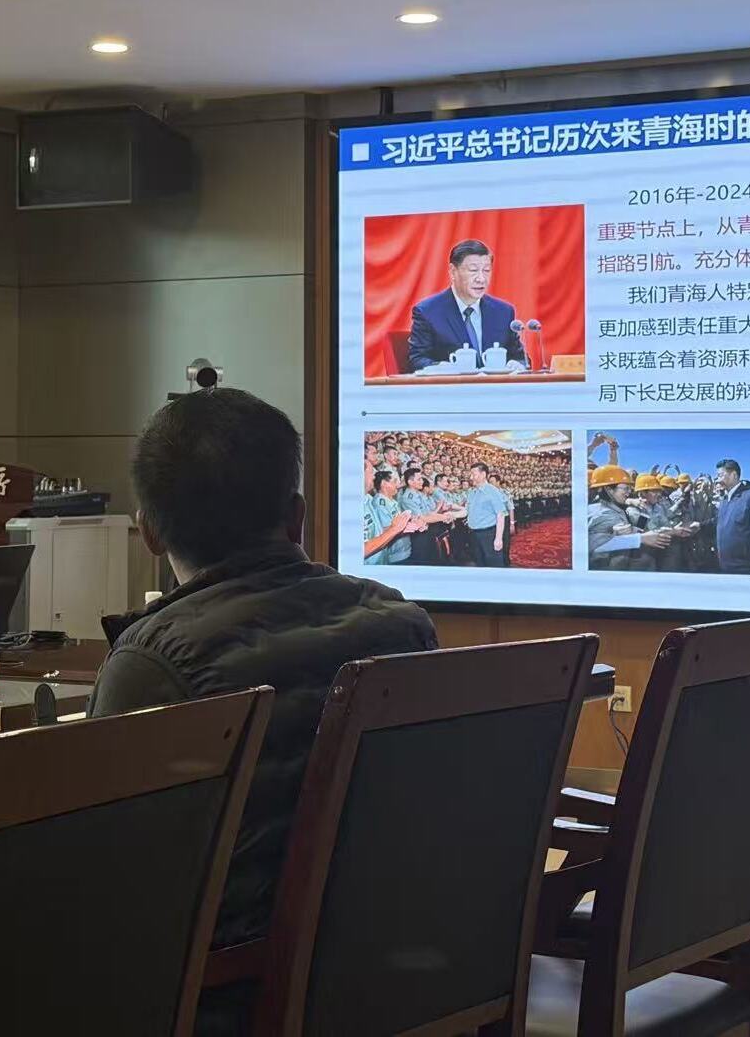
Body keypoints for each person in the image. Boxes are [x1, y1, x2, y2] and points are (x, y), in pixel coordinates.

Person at [86, 389, 437, 1034]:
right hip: (394, 974)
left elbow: (108, 874)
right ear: (297, 516)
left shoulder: (155, 664)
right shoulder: (402, 623)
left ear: (148, 531)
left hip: (227, 995)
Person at [406, 239, 527, 371]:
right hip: (452, 383)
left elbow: (521, 358)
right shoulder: (428, 312)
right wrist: (443, 368)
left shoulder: (503, 312)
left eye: (486, 270)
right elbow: (417, 359)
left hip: (494, 384)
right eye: (473, 270)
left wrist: (517, 364)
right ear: (453, 271)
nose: (481, 278)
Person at [712, 458, 750, 576]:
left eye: (720, 475)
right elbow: (719, 522)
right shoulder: (724, 500)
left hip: (744, 568)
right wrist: (699, 525)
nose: (717, 480)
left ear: (734, 475)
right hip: (725, 567)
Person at [362, 470, 420, 565]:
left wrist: (411, 523)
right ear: (384, 484)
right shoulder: (380, 504)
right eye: (394, 481)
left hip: (401, 551)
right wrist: (399, 528)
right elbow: (385, 530)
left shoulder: (392, 501)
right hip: (394, 555)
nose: (398, 485)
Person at [462, 462, 513, 567]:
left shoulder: (492, 491)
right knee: (480, 563)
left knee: (494, 565)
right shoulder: (472, 492)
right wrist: (450, 515)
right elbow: (467, 511)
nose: (471, 477)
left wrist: (498, 538)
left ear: (483, 474)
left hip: (488, 534)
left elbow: (500, 515)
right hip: (474, 534)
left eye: (473, 474)